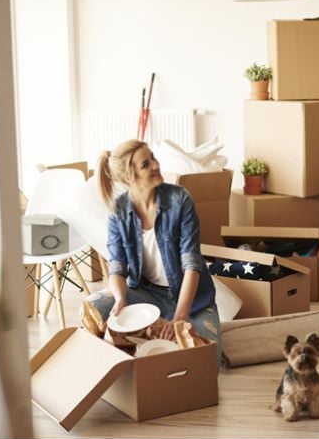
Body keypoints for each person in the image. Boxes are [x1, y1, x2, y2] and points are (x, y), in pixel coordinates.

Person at [85, 139, 223, 366]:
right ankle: (135, 347)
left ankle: (155, 332)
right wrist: (120, 300)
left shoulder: (180, 200)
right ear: (128, 177)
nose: (155, 166)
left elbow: (192, 265)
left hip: (192, 299)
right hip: (146, 294)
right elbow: (117, 266)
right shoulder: (118, 212)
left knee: (206, 362)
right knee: (93, 307)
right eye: (145, 164)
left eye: (153, 158)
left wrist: (179, 318)